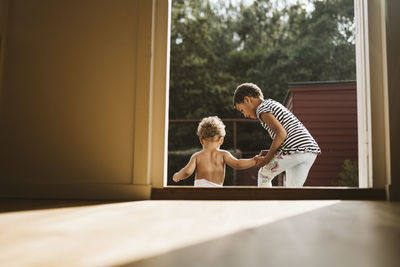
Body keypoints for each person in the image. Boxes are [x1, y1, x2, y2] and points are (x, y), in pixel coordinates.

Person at [233, 83, 321, 187]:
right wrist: (271, 152)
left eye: (242, 110)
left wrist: (267, 159)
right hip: (309, 150)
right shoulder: (271, 104)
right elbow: (285, 134)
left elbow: (281, 134)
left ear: (247, 100)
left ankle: (266, 203)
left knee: (264, 174)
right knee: (293, 191)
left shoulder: (262, 109)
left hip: (294, 149)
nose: (244, 115)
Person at [172, 116, 257, 187]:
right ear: (221, 141)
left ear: (201, 140)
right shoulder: (224, 154)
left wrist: (177, 176)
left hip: (199, 192)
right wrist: (253, 161)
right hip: (217, 191)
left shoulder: (197, 156)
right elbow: (237, 164)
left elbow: (187, 172)